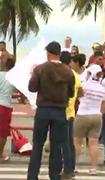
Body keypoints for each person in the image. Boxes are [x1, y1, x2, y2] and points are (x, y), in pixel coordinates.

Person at [27, 41, 75, 180]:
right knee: (57, 145)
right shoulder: (68, 72)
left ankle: (32, 176)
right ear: (59, 54)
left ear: (47, 53)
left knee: (38, 145)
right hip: (60, 111)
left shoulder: (40, 69)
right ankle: (54, 175)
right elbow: (71, 93)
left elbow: (32, 88)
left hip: (43, 109)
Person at [74, 66, 105, 175]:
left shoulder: (84, 86)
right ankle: (93, 168)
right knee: (94, 142)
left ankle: (74, 165)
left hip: (82, 114)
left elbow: (77, 99)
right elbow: (103, 104)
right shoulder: (102, 88)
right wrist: (100, 113)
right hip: (97, 115)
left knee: (77, 142)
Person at [59, 51, 84, 179]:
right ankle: (70, 168)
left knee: (61, 143)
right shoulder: (75, 75)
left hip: (60, 112)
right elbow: (81, 93)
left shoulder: (59, 74)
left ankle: (63, 169)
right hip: (71, 113)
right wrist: (73, 98)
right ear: (69, 62)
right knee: (70, 144)